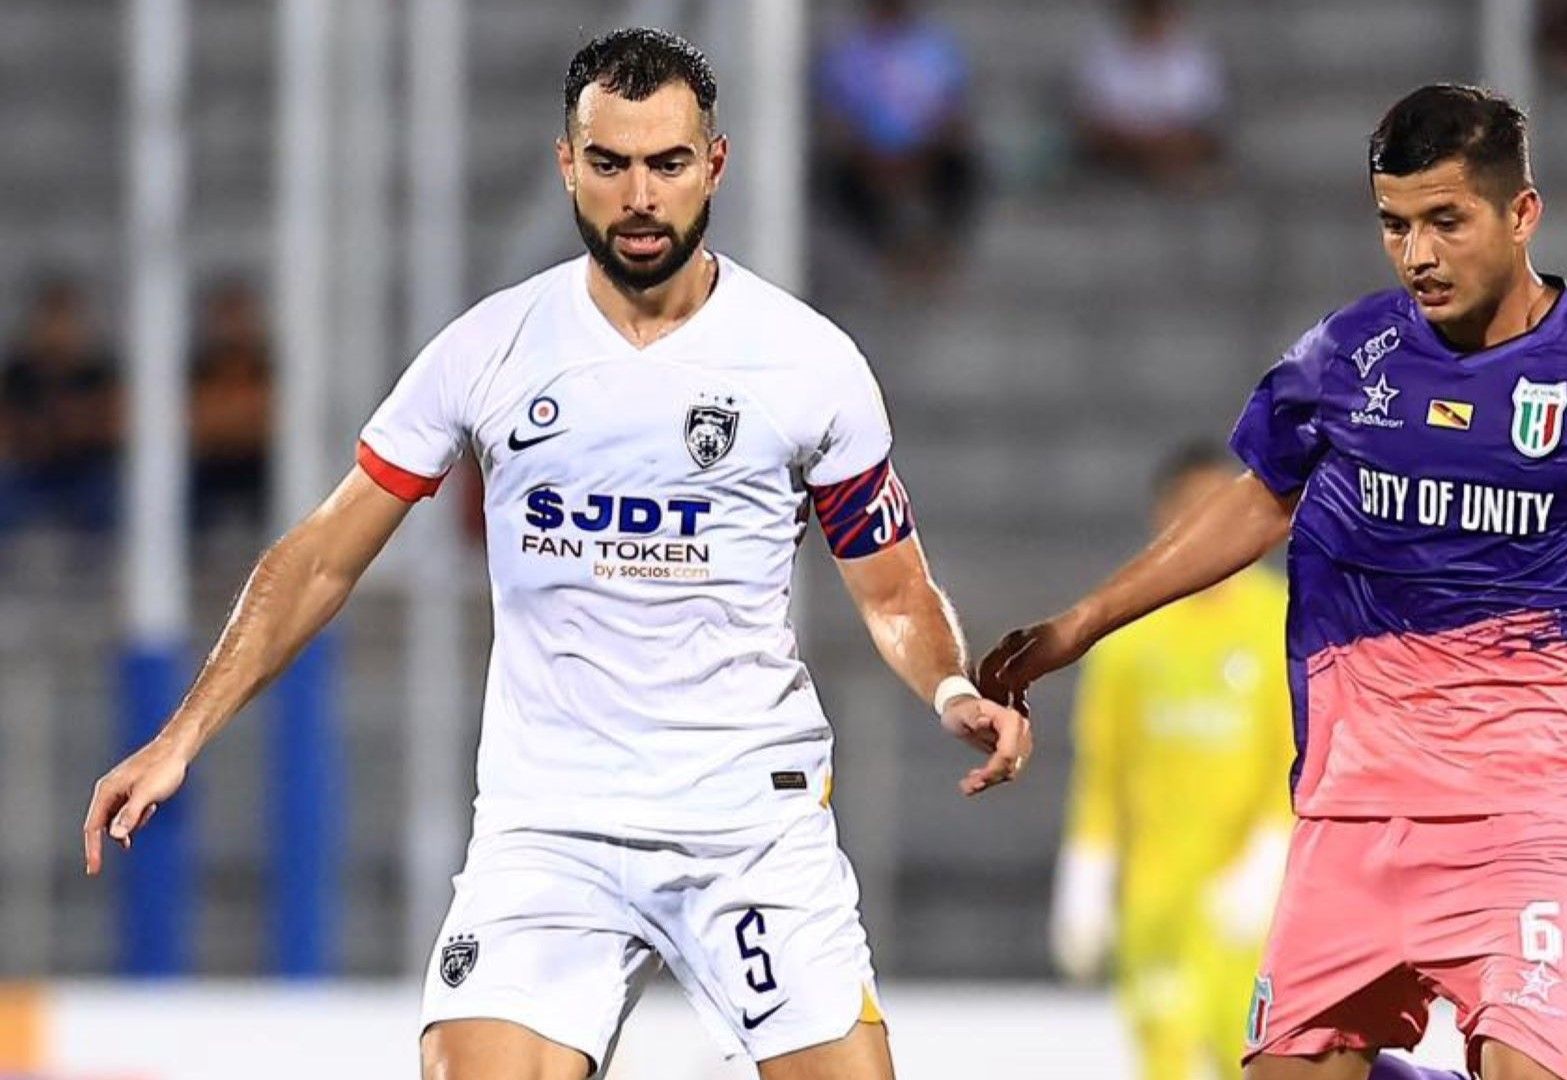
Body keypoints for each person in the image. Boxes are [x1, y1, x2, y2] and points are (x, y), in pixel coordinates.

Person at [83, 28, 1030, 1080]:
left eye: (668, 163)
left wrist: (950, 686)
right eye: (611, 163)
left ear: (715, 164)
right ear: (567, 164)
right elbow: (318, 558)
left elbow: (892, 588)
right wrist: (180, 735)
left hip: (747, 828)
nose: (640, 197)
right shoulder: (488, 349)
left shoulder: (808, 364)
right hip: (551, 831)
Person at [981, 84, 1567, 1080]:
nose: (1417, 255)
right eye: (1395, 225)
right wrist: (1082, 624)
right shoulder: (1349, 358)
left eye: (1446, 220)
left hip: (1533, 821)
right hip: (1353, 816)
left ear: (1522, 213)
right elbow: (1258, 501)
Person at [1052, 442, 1294, 1080]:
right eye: (1191, 508)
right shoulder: (1129, 632)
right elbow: (1102, 770)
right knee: (1165, 1062)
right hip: (1156, 899)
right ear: (1163, 517)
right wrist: (1086, 876)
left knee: (1254, 1060)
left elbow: (1296, 757)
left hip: (1253, 899)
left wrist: (1267, 860)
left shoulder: (1279, 620)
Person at [816, 0, 980, 273]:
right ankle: (886, 252)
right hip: (866, 154)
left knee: (962, 171)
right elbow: (836, 114)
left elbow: (953, 109)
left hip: (926, 149)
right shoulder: (850, 52)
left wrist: (922, 150)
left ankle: (939, 248)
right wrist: (870, 152)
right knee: (838, 181)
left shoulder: (934, 48)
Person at [0, 277, 121, 532]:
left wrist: (78, 426)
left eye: (65, 321)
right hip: (30, 472)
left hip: (85, 473)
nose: (57, 331)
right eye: (50, 320)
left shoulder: (96, 372)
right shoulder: (18, 373)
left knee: (111, 496)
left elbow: (110, 426)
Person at [1072, 0, 1228, 188]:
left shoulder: (1193, 56)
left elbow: (1205, 110)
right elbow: (1093, 110)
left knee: (1193, 141)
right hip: (1123, 137)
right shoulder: (1103, 56)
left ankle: (1162, 167)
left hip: (1176, 136)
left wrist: (1166, 131)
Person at [188, 278, 273, 530]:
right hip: (209, 470)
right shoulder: (200, 367)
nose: (233, 326)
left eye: (239, 315)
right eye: (227, 316)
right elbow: (189, 420)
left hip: (257, 468)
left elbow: (278, 417)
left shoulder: (266, 365)